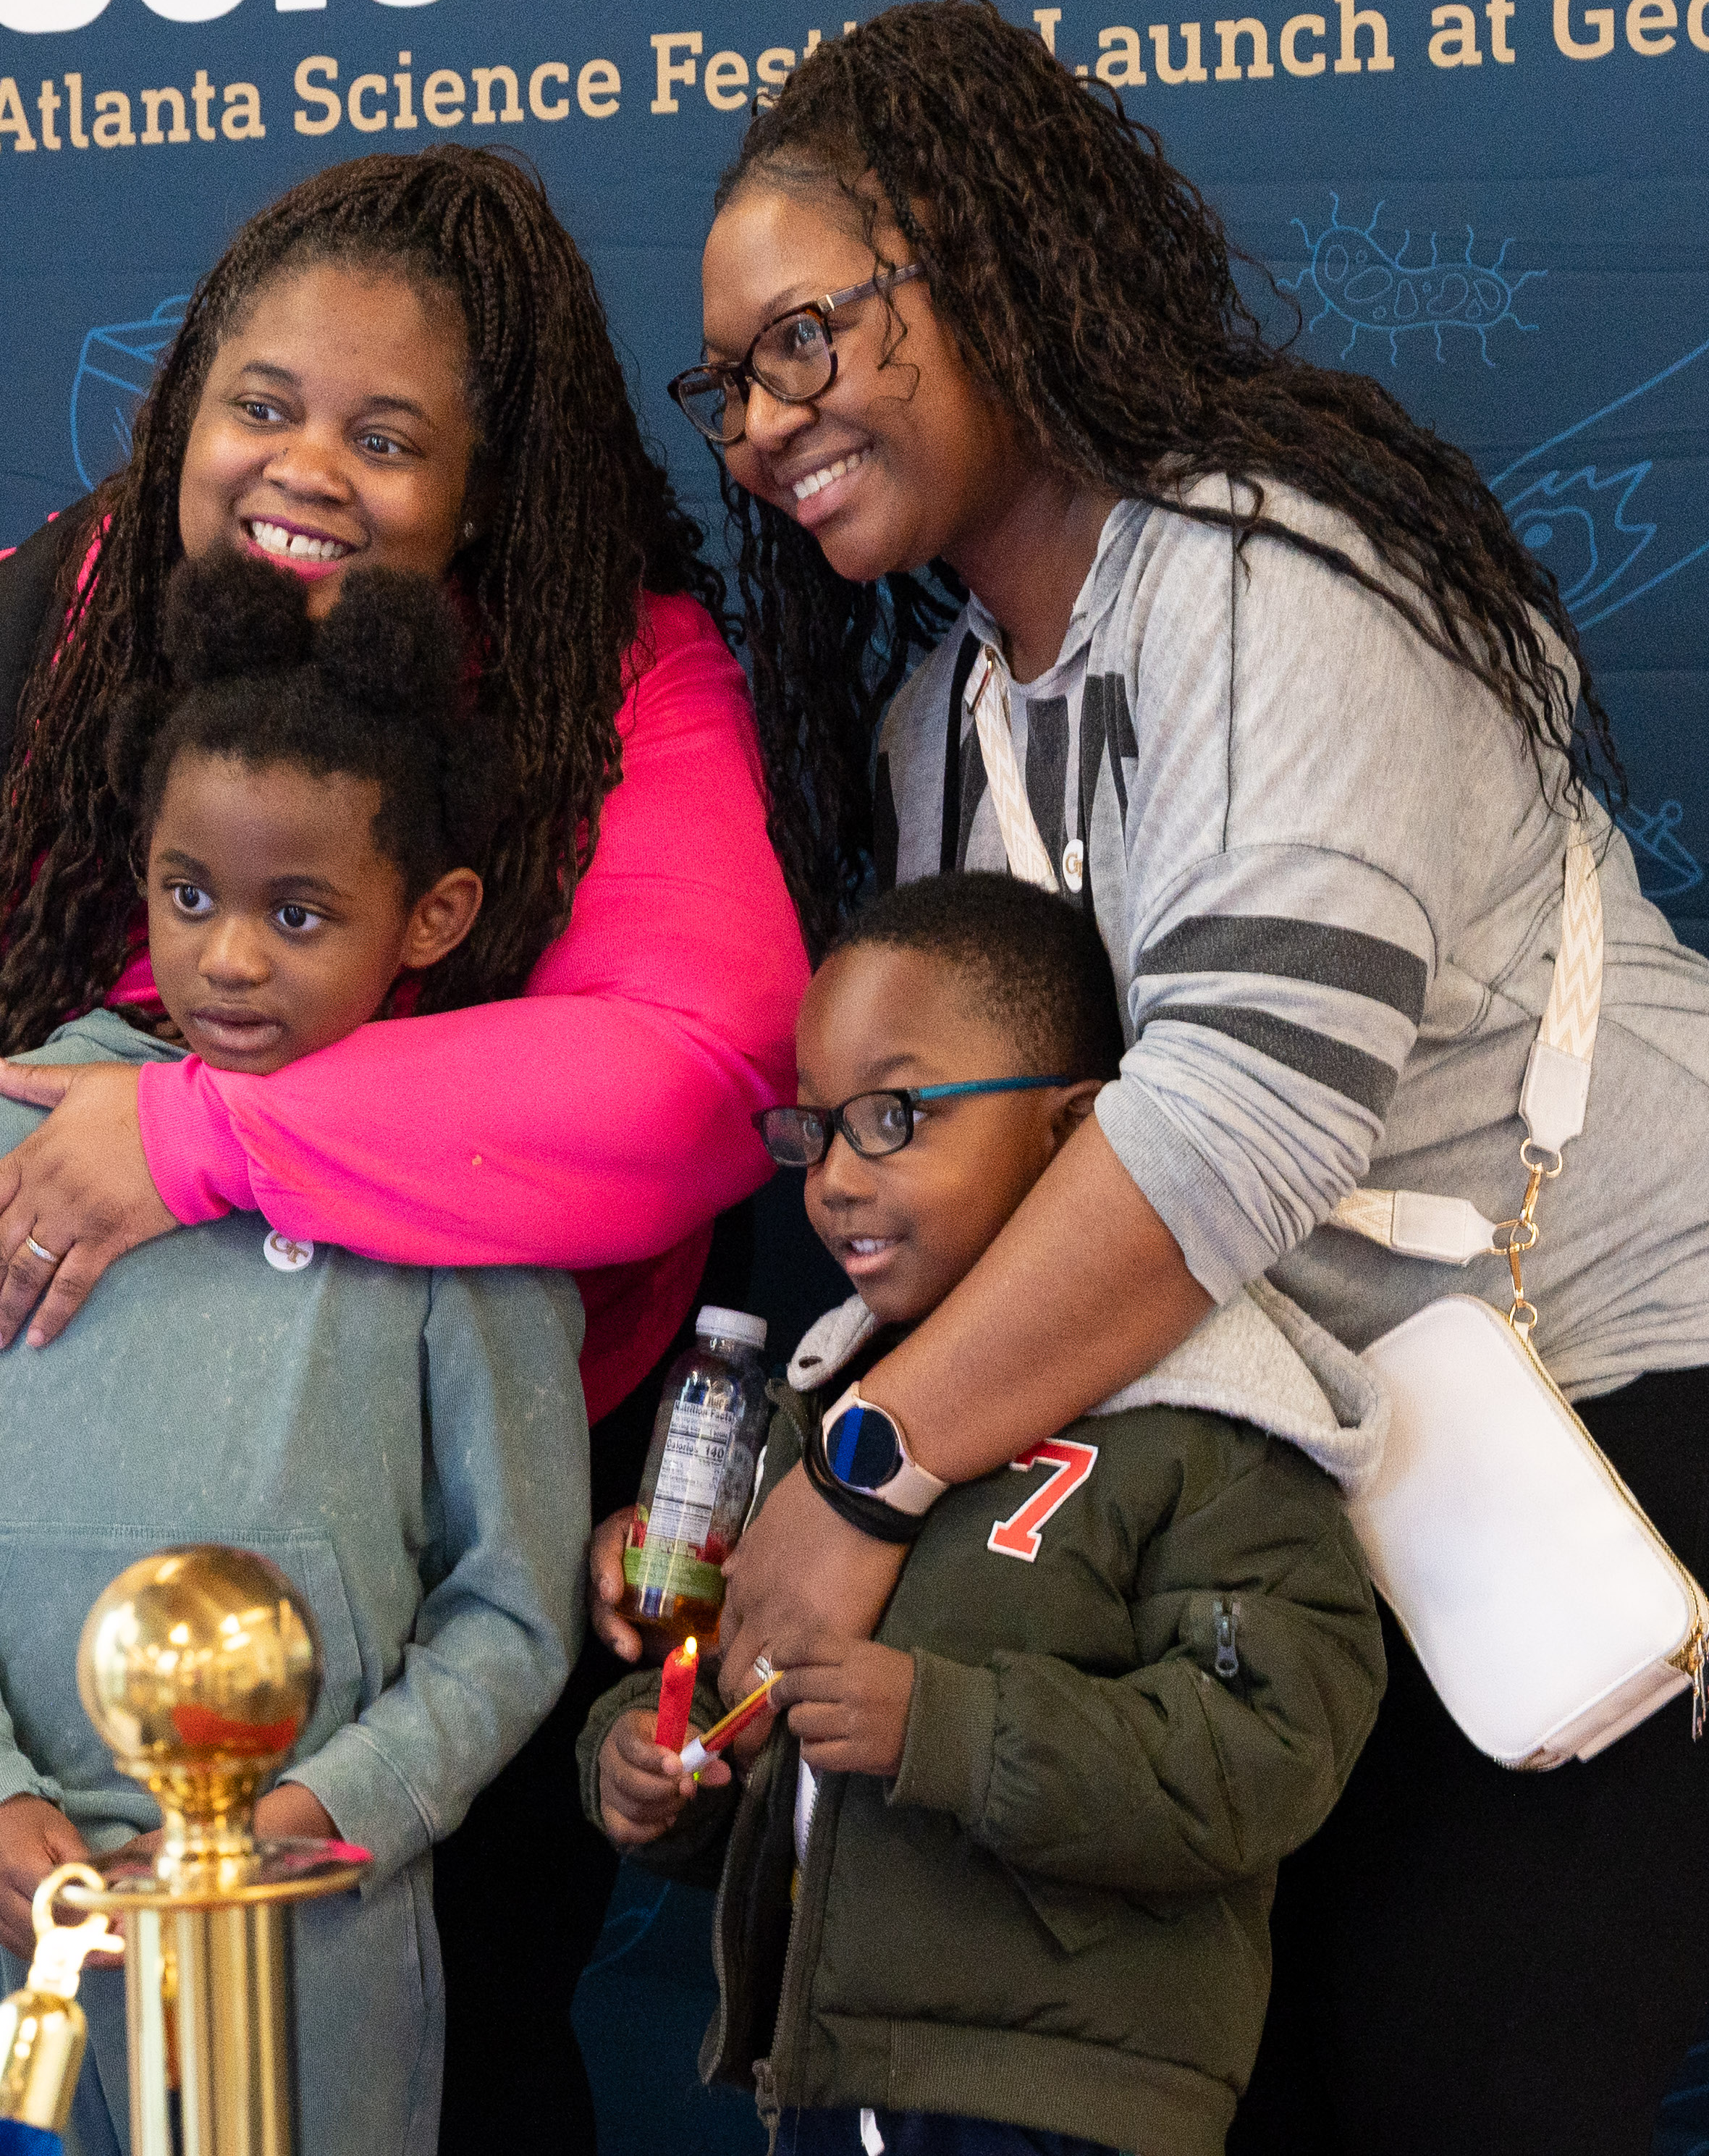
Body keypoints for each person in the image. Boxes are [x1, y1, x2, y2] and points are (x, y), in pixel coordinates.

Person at [675, 0, 1709, 2154]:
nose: (762, 423)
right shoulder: (939, 728)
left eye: (809, 337)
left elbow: (1234, 1116)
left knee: (1459, 2092)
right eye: (728, 379)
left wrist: (866, 1473)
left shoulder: (1279, 565)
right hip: (1331, 1470)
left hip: (1678, 1370)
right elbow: (998, 1187)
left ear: (988, 266)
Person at [0, 148, 803, 2147]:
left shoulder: (596, 681)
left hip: (390, 1718)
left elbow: (701, 1069)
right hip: (22, 1688)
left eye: (390, 435)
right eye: (262, 404)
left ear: (488, 485)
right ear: (184, 398)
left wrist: (196, 1137)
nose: (308, 467)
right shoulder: (0, 652)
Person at [0, 549, 585, 2156]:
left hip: (304, 1927)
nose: (231, 958)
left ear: (428, 914)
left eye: (298, 913)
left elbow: (511, 1607)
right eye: (192, 897)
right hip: (0, 1917)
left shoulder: (466, 1195)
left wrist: (319, 1819)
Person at [584, 873, 1384, 2156]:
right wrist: (659, 1763)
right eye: (816, 1129)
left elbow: (1272, 1746)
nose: (835, 1178)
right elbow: (737, 1672)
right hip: (828, 2076)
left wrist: (940, 1726)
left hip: (1067, 2104)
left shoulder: (1216, 1422)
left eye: (892, 1118)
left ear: (1076, 1132)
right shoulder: (826, 1409)